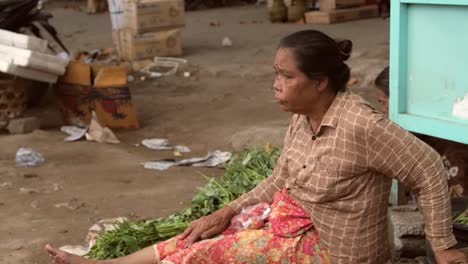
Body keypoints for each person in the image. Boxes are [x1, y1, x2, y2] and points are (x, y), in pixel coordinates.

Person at [46, 30, 468, 264]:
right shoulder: (303, 118)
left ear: (320, 83)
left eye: (286, 76)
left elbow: (429, 169)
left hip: (336, 254)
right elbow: (280, 179)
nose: (276, 84)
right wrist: (226, 211)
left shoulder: (361, 125)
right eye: (275, 74)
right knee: (198, 232)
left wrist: (443, 244)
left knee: (215, 252)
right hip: (296, 227)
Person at [374, 66, 468, 198]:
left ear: (401, 101)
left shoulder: (448, 144)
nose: (384, 111)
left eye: (383, 102)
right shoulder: (422, 131)